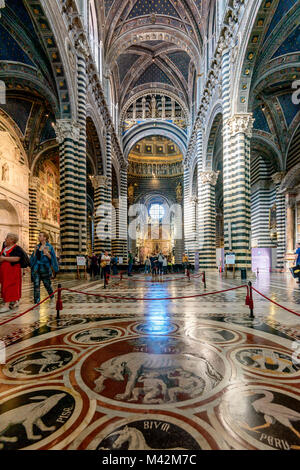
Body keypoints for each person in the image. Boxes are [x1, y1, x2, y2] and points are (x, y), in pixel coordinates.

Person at [30, 232, 59, 304]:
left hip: (45, 268)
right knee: (36, 285)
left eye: (40, 236)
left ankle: (52, 297)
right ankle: (37, 301)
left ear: (45, 238)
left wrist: (46, 253)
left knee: (47, 284)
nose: (38, 237)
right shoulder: (37, 246)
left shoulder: (49, 246)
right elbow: (33, 258)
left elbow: (53, 258)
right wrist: (35, 252)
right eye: (39, 235)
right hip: (37, 268)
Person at [0, 233, 24, 313]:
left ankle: (7, 305)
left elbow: (17, 258)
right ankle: (14, 301)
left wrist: (4, 258)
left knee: (10, 286)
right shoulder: (5, 248)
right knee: (5, 286)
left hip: (12, 271)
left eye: (7, 238)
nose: (5, 239)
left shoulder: (17, 248)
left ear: (12, 240)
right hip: (5, 271)